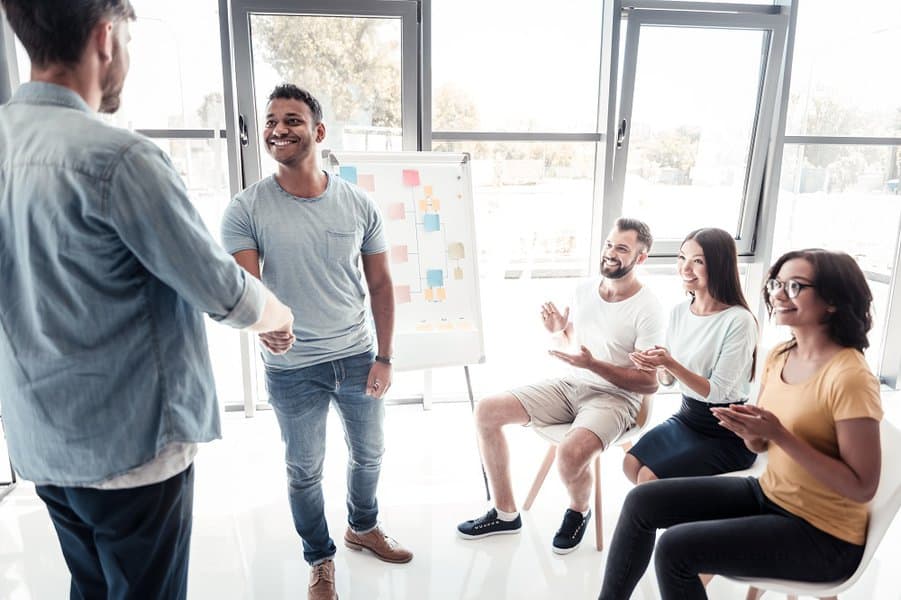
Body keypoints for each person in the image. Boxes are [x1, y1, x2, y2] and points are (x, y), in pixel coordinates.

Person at [0, 1, 295, 599]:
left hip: (43, 441)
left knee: (91, 586)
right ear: (105, 39)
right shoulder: (117, 159)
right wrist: (278, 314)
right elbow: (221, 289)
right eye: (127, 43)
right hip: (129, 452)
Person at [598, 249, 882, 600]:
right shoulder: (780, 355)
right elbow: (761, 446)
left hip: (824, 536)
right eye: (777, 283)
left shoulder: (850, 376)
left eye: (795, 286)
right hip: (771, 495)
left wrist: (779, 435)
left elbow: (862, 487)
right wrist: (751, 434)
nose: (778, 293)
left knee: (675, 549)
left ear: (833, 301)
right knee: (641, 501)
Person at [221, 84, 409, 600]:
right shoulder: (245, 208)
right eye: (271, 121)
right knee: (304, 470)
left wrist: (385, 357)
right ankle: (319, 558)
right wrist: (267, 326)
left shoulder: (357, 203)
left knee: (369, 453)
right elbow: (247, 290)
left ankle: (363, 526)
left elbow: (381, 286)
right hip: (293, 368)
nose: (278, 129)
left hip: (356, 356)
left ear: (319, 132)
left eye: (292, 120)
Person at [456, 218, 665, 554]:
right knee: (487, 411)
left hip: (617, 399)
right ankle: (506, 514)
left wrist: (592, 364)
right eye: (609, 244)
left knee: (569, 454)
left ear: (640, 259)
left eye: (622, 249)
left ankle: (578, 510)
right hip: (573, 385)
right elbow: (580, 346)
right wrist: (560, 331)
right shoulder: (584, 290)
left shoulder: (649, 309)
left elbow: (649, 383)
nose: (610, 253)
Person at [625, 228, 758, 483]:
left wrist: (670, 363)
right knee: (630, 464)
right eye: (682, 257)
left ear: (719, 267)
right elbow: (669, 382)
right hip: (688, 418)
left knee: (648, 479)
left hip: (727, 432)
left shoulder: (739, 320)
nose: (685, 268)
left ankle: (669, 519)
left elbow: (717, 392)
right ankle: (661, 516)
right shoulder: (679, 312)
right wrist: (658, 366)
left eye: (698, 261)